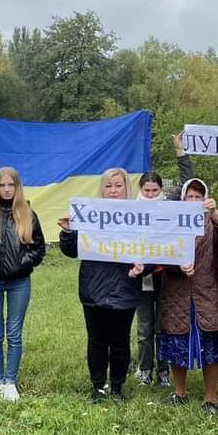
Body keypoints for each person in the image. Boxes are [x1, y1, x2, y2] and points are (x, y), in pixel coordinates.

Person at [59, 168, 148, 403]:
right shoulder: (89, 214)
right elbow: (71, 250)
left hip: (125, 287)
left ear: (127, 188)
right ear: (102, 189)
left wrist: (144, 267)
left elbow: (153, 250)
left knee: (120, 342)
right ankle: (98, 387)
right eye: (108, 186)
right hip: (93, 288)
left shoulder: (140, 216)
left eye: (118, 185)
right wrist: (68, 232)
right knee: (96, 340)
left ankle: (117, 387)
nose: (113, 190)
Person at [158, 178, 218, 414]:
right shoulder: (170, 223)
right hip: (177, 293)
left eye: (198, 197)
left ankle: (210, 398)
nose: (194, 201)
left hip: (208, 292)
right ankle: (179, 392)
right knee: (176, 343)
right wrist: (177, 267)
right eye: (190, 197)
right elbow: (159, 254)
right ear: (182, 199)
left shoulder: (213, 221)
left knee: (210, 346)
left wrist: (216, 214)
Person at [132, 132, 194, 388]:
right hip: (142, 275)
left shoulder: (170, 204)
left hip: (167, 274)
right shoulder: (129, 210)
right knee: (145, 326)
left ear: (161, 190)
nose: (150, 194)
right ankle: (145, 369)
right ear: (140, 190)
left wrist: (180, 151)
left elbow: (188, 181)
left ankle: (163, 370)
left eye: (154, 190)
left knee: (163, 326)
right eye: (146, 190)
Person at [0, 167, 47, 401]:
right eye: (2, 185)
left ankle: (10, 381)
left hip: (19, 282)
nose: (7, 189)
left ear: (17, 187)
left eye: (11, 185)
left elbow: (39, 248)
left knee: (14, 333)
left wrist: (21, 263)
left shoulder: (28, 213)